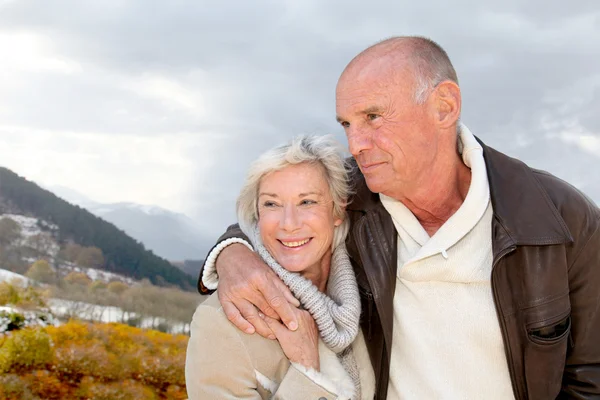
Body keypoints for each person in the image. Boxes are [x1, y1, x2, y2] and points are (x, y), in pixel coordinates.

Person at [198, 37, 600, 399]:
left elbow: (591, 376)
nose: (356, 143)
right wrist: (234, 253)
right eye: (347, 124)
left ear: (444, 107)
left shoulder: (560, 217)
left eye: (373, 117)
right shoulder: (353, 195)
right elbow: (282, 217)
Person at [186, 135, 376, 400]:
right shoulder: (221, 323)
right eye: (272, 204)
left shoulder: (370, 291)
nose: (288, 223)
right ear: (257, 214)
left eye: (307, 201)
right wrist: (307, 368)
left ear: (338, 210)